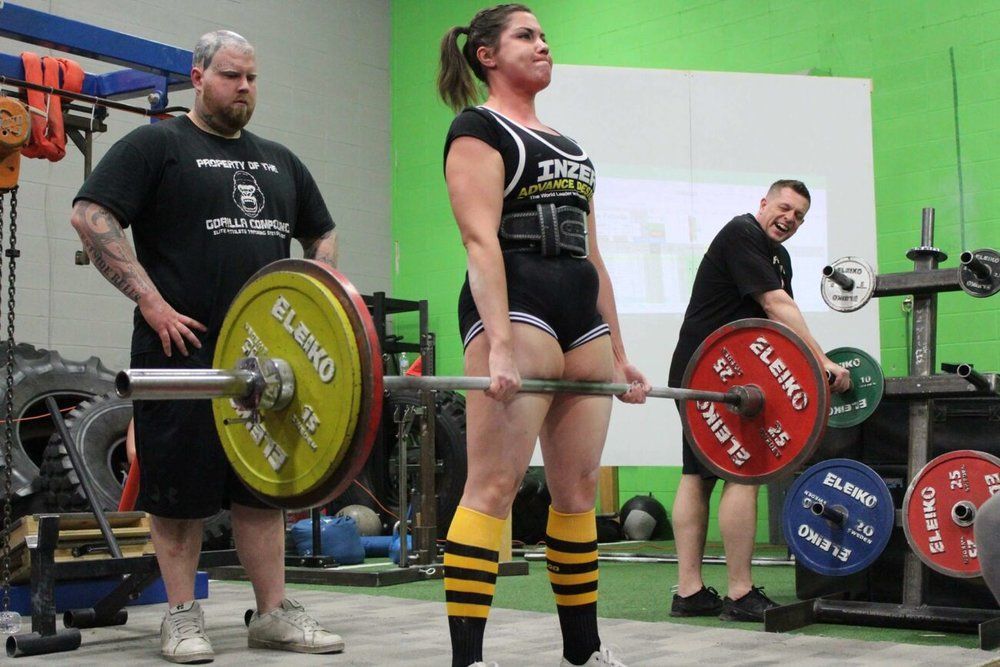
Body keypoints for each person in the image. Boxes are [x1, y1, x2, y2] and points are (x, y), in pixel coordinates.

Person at [70, 30, 343, 664]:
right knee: (178, 490)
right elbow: (90, 215)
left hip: (265, 362)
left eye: (251, 77)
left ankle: (272, 613)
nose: (244, 88)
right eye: (230, 76)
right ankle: (182, 617)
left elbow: (322, 231)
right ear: (198, 77)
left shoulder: (280, 160)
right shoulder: (157, 144)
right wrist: (150, 300)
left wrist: (316, 299)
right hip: (181, 349)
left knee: (260, 486)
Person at [437, 5, 650, 667]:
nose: (543, 45)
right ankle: (467, 659)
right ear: (486, 56)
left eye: (545, 35)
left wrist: (618, 350)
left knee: (578, 493)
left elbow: (594, 253)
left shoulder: (573, 146)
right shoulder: (476, 128)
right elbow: (479, 239)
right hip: (518, 302)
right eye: (526, 35)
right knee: (493, 487)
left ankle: (581, 652)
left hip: (579, 312)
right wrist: (497, 341)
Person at [668, 180, 852, 622]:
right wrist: (821, 359)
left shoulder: (778, 257)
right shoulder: (741, 233)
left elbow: (776, 329)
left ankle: (690, 594)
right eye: (785, 207)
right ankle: (739, 593)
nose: (790, 219)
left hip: (725, 374)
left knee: (698, 475)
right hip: (709, 372)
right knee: (742, 473)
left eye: (800, 216)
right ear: (764, 203)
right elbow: (775, 305)